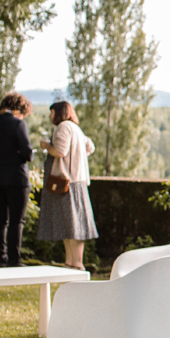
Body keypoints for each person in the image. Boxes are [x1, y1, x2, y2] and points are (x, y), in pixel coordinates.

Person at [35, 101, 98, 270]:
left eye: (52, 112)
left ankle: (76, 263)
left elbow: (60, 151)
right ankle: (71, 263)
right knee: (71, 225)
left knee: (71, 225)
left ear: (59, 113)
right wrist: (77, 158)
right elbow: (90, 147)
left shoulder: (63, 127)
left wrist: (46, 145)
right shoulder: (76, 128)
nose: (50, 116)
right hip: (78, 181)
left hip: (67, 182)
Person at [0, 92, 35, 267]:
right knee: (17, 221)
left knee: (0, 220)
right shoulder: (19, 124)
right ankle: (14, 259)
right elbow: (27, 154)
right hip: (17, 177)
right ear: (18, 109)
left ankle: (0, 258)